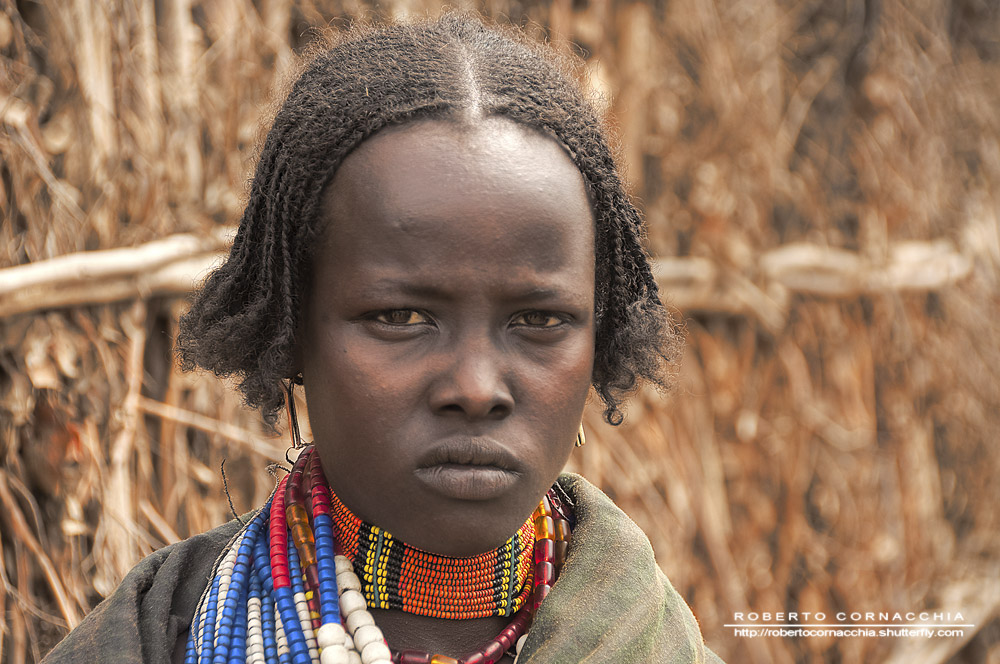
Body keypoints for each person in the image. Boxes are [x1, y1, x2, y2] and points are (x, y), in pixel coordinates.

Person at [43, 13, 723, 664]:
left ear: (597, 340)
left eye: (540, 321)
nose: (477, 388)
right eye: (400, 318)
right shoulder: (157, 635)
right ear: (291, 330)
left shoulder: (660, 645)